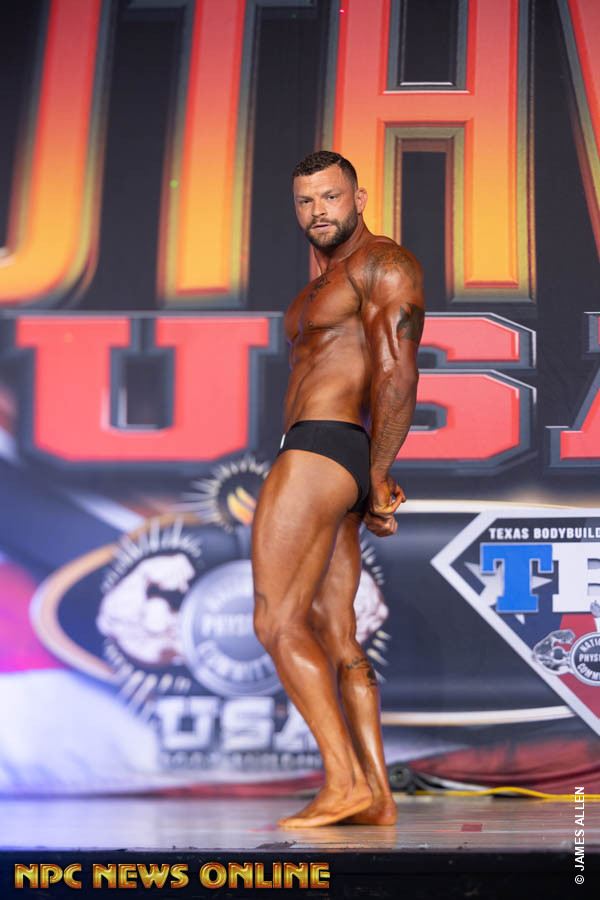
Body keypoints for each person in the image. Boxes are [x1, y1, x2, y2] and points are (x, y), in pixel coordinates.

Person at [251, 150, 424, 828]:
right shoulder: (318, 287)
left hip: (323, 449)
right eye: (305, 201)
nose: (317, 210)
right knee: (335, 631)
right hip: (332, 455)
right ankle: (377, 796)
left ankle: (343, 781)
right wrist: (368, 475)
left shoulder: (383, 263)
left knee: (275, 620)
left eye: (330, 196)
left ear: (359, 197)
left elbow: (396, 372)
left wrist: (378, 474)